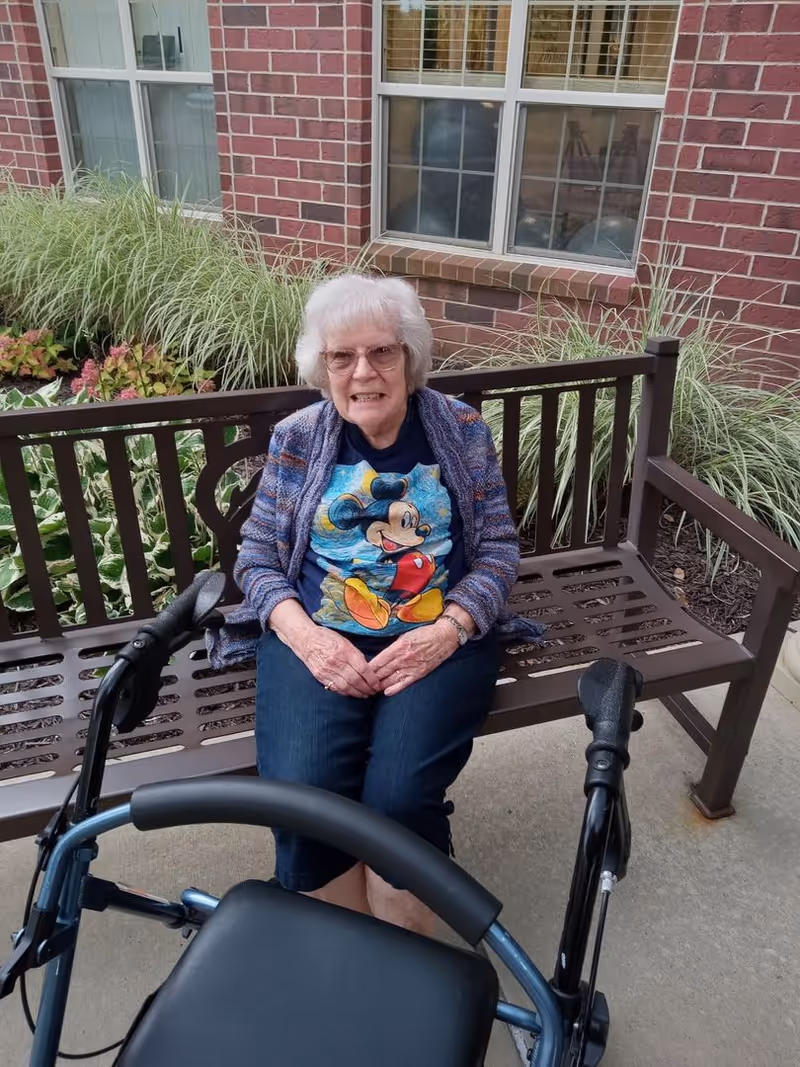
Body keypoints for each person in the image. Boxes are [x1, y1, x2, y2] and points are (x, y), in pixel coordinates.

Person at [209, 274, 543, 934]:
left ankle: (404, 957)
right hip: (317, 636)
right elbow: (255, 558)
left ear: (408, 356)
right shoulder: (298, 439)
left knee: (397, 798)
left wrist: (451, 629)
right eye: (342, 356)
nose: (363, 371)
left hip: (439, 639)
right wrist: (306, 637)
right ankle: (354, 952)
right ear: (322, 365)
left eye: (382, 352)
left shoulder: (462, 431)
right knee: (304, 795)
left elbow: (500, 549)